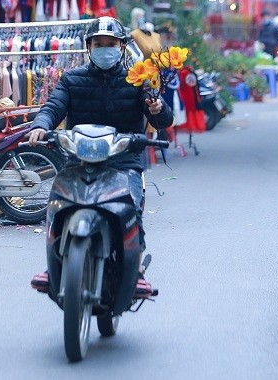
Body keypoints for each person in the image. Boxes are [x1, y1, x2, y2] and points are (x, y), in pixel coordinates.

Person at [26, 17, 173, 298]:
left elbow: (164, 118)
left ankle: (137, 269)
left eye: (110, 44)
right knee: (58, 206)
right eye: (98, 44)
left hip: (123, 161)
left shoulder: (138, 80)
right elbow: (53, 107)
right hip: (78, 159)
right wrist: (40, 126)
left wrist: (157, 107)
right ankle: (54, 264)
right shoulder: (71, 79)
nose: (104, 49)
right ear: (89, 48)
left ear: (121, 47)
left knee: (132, 208)